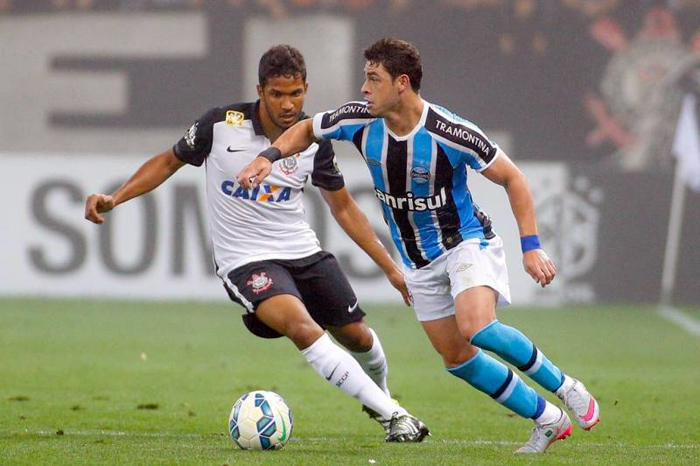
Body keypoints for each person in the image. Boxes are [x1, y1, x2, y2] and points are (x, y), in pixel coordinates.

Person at [238, 38, 600, 454]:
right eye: (365, 78)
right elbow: (305, 129)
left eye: (374, 79)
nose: (364, 89)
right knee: (458, 358)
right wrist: (269, 156)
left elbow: (513, 178)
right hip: (418, 262)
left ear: (402, 84)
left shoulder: (450, 132)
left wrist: (531, 246)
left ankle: (567, 387)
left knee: (477, 326)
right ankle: (547, 418)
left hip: (466, 243)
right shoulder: (359, 121)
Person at [84, 44, 429, 443]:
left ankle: (381, 397)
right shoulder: (220, 124)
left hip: (302, 251)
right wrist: (116, 197)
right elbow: (167, 162)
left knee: (358, 337)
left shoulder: (312, 137)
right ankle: (395, 416)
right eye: (278, 94)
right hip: (245, 261)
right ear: (260, 91)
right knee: (302, 326)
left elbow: (345, 209)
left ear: (306, 89)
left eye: (296, 93)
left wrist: (390, 268)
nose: (288, 104)